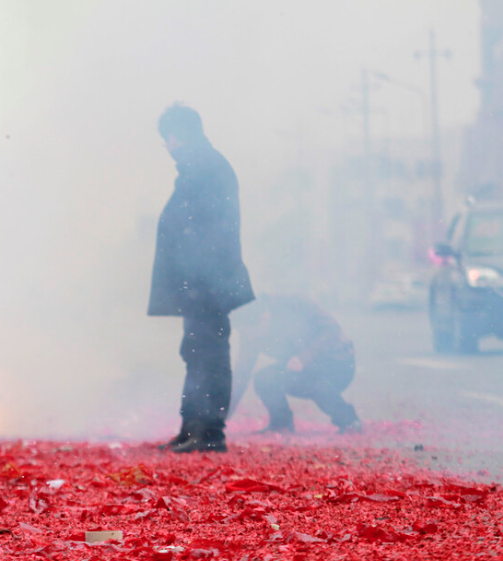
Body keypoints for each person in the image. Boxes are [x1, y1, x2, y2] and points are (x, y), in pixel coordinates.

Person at [149, 105, 254, 453]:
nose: (168, 146)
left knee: (208, 353)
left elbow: (203, 229)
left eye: (168, 138)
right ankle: (192, 426)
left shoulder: (205, 167)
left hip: (208, 283)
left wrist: (197, 277)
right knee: (196, 351)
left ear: (177, 135)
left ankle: (209, 432)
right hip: (200, 283)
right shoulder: (200, 166)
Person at [229, 295, 361, 434]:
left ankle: (349, 421)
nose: (248, 337)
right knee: (265, 379)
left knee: (315, 382)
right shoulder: (250, 332)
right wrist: (222, 416)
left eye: (250, 332)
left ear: (264, 319)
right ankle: (281, 424)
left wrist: (304, 358)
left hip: (337, 365)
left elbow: (332, 330)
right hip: (301, 370)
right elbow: (241, 375)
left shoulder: (296, 304)